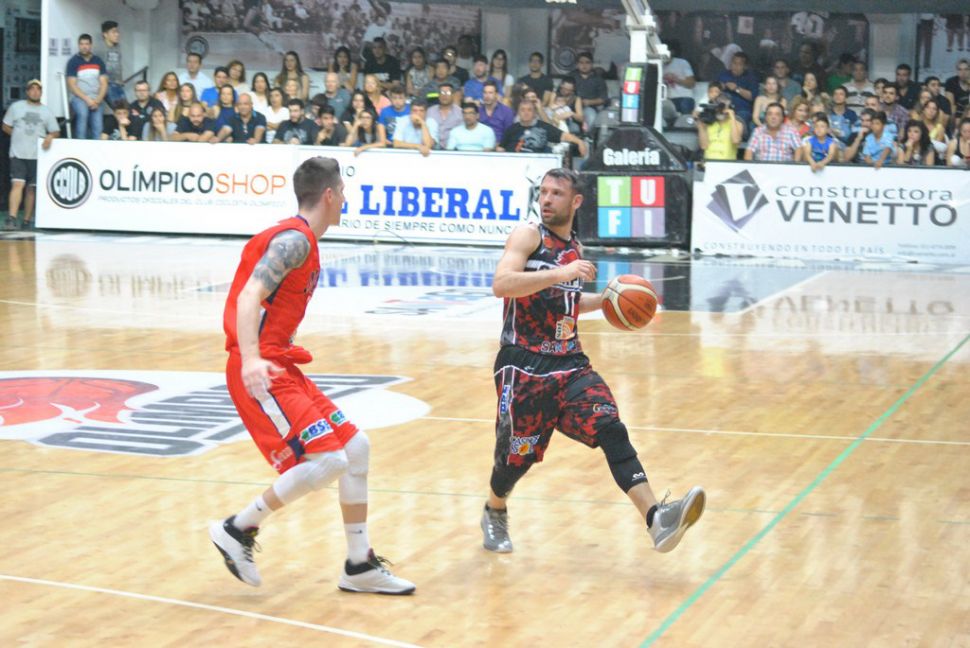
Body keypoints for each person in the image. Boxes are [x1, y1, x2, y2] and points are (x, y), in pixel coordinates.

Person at [210, 156, 416, 595]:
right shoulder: (294, 241)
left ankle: (359, 565)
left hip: (280, 362)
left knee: (355, 448)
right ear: (328, 195)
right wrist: (251, 359)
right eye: (342, 191)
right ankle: (238, 528)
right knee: (327, 459)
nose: (345, 198)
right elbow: (248, 297)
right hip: (260, 367)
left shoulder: (303, 240)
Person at [480, 167, 705, 556]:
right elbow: (502, 284)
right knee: (514, 461)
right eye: (544, 192)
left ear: (576, 201)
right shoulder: (528, 236)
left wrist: (604, 301)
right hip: (524, 363)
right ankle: (495, 508)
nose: (547, 199)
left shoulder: (574, 249)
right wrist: (562, 272)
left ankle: (657, 518)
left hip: (570, 363)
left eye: (556, 193)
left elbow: (565, 302)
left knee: (611, 429)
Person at [2, 79, 59, 230]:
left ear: (41, 92)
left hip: (37, 155)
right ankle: (12, 218)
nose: (35, 92)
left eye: (38, 89)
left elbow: (55, 131)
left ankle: (26, 220)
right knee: (17, 184)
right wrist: (17, 135)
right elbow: (5, 125)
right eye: (32, 89)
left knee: (31, 189)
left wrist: (50, 136)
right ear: (27, 91)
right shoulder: (16, 107)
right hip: (18, 153)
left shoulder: (46, 111)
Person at [65, 34, 107, 140]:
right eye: (81, 44)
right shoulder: (73, 61)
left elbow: (104, 83)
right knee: (83, 114)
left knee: (98, 125)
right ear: (78, 45)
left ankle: (97, 148)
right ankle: (80, 144)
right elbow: (72, 85)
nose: (84, 46)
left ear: (91, 45)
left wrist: (97, 100)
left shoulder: (98, 61)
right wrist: (87, 100)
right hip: (79, 98)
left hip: (96, 99)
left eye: (87, 44)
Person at [694, 97, 743, 161]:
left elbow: (736, 141)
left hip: (728, 162)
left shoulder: (737, 124)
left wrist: (732, 116)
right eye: (718, 107)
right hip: (709, 161)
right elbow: (703, 146)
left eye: (724, 107)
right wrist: (700, 125)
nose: (721, 110)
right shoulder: (707, 123)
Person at [427, 82, 462, 147]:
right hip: (432, 148)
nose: (444, 95)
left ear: (453, 95)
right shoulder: (430, 111)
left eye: (448, 93)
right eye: (442, 93)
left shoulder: (460, 112)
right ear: (438, 95)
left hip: (453, 149)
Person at [98, 20, 125, 104]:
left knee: (125, 108)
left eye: (117, 32)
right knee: (119, 108)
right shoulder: (100, 49)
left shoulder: (118, 47)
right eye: (114, 32)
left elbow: (118, 65)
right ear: (105, 34)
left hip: (118, 84)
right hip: (108, 85)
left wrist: (120, 79)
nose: (117, 34)